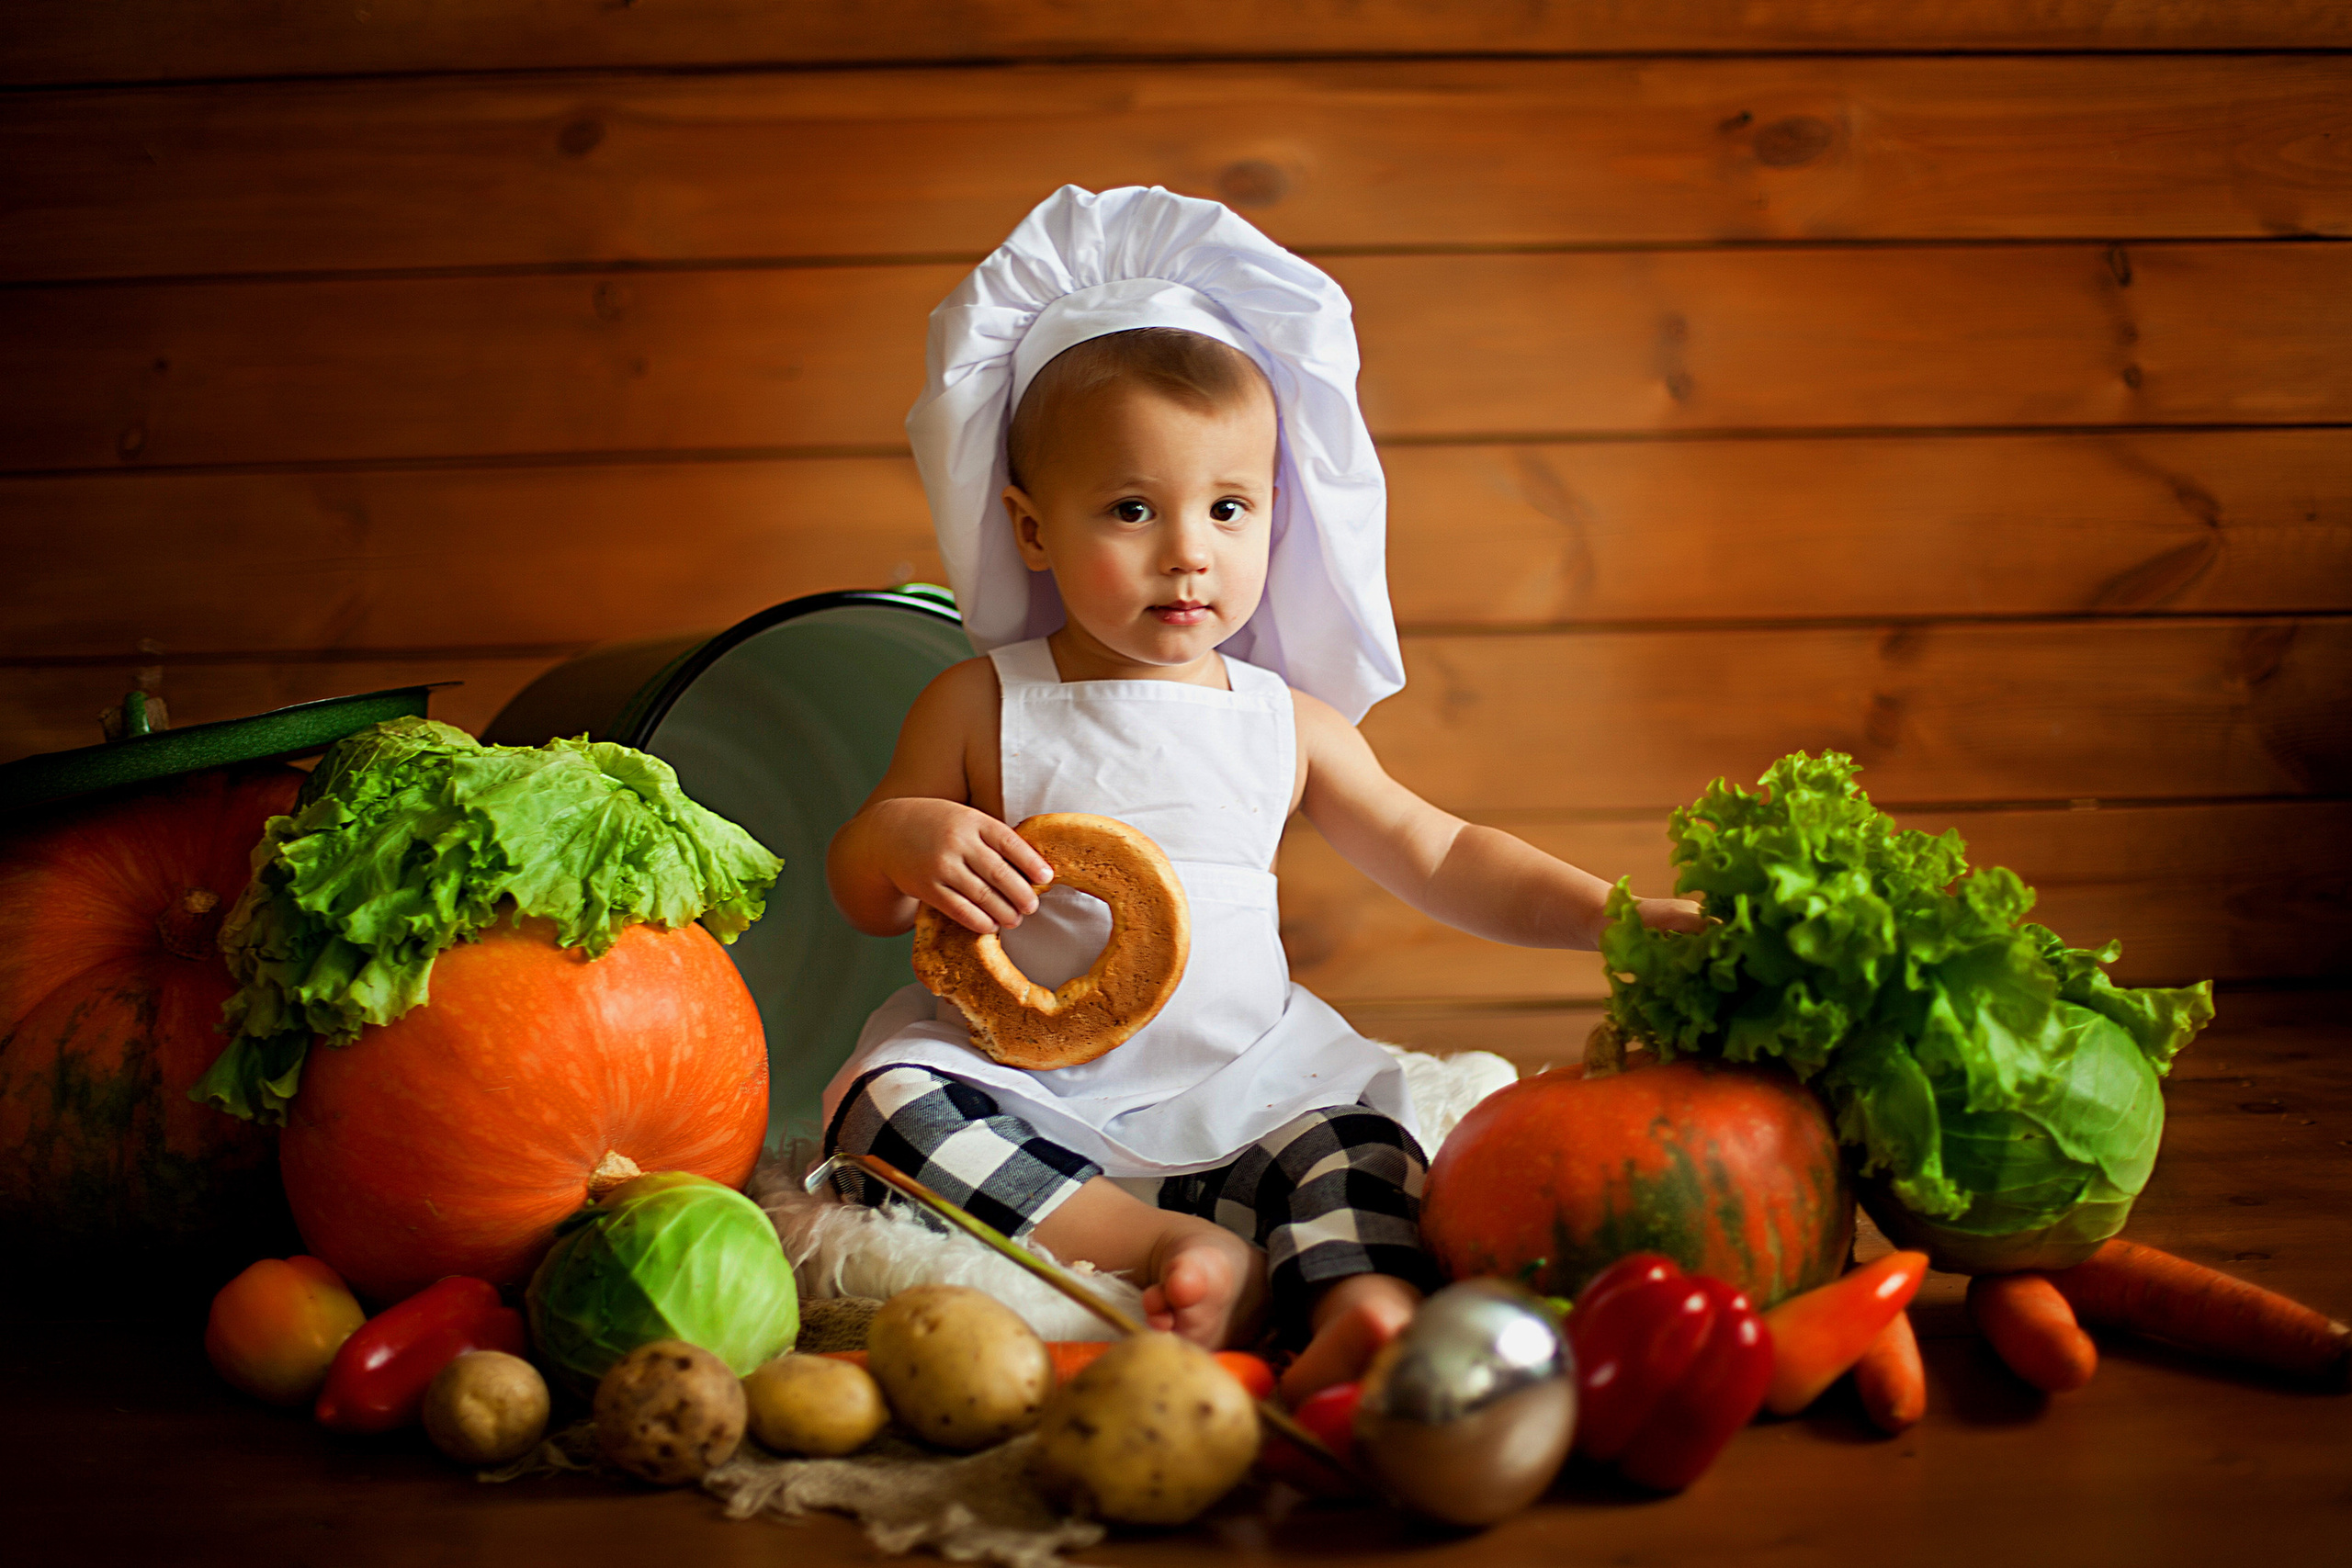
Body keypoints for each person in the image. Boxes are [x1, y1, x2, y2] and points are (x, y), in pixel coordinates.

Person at [822, 186, 1702, 1400]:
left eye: (1228, 507)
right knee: (882, 1111)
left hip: (1243, 1081)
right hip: (1028, 1088)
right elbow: (865, 887)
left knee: (1363, 1146)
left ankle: (1365, 1309)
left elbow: (1441, 853)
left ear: (1274, 515)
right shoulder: (985, 703)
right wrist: (909, 836)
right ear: (1029, 527)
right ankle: (1165, 1250)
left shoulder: (1281, 720)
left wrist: (1623, 922)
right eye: (1132, 509)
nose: (1190, 550)